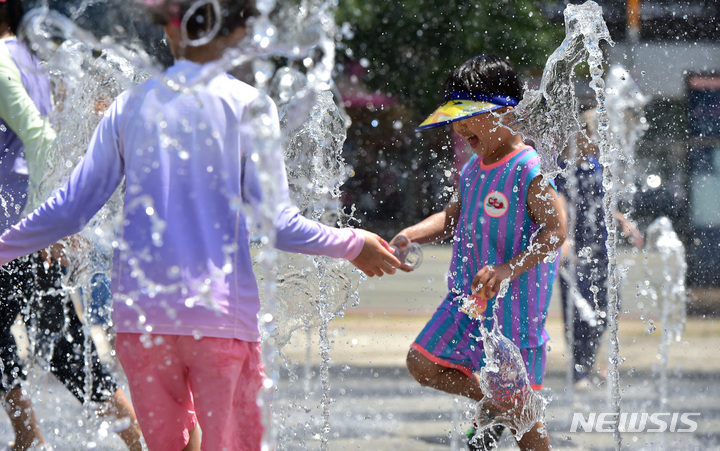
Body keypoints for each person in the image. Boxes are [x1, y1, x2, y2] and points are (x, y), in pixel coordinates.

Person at [0, 1, 401, 449]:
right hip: (220, 323)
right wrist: (351, 243)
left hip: (142, 323)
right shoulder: (250, 106)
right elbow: (279, 227)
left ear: (168, 31)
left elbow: (69, 209)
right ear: (237, 34)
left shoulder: (128, 107)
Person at [391, 55, 566, 451]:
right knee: (422, 363)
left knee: (524, 421)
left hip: (513, 311)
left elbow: (556, 232)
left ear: (505, 112)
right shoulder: (472, 168)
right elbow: (452, 219)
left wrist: (506, 269)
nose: (459, 125)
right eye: (455, 115)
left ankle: (504, 408)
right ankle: (491, 402)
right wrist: (411, 234)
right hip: (467, 301)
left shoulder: (528, 168)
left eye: (470, 114)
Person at [0, 2, 144, 450]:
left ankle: (30, 437)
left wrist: (51, 222)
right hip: (29, 227)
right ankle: (139, 438)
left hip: (13, 231)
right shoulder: (29, 57)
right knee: (61, 342)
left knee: (60, 342)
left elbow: (41, 137)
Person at [556, 108, 643, 389]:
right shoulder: (562, 169)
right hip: (575, 251)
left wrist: (623, 221)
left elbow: (602, 203)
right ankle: (579, 371)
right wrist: (565, 237)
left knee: (605, 310)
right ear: (583, 135)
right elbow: (561, 203)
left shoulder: (596, 166)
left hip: (601, 250)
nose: (601, 140)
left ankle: (590, 364)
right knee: (580, 312)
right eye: (597, 133)